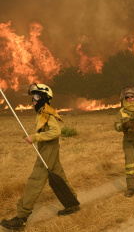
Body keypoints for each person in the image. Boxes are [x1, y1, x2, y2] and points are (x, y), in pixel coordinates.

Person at [1, 83, 79, 231]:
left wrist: (35, 137)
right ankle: (72, 204)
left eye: (37, 97)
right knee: (59, 176)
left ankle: (21, 217)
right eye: (33, 97)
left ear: (44, 98)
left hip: (48, 149)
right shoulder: (41, 112)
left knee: (35, 180)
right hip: (48, 148)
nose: (34, 100)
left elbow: (56, 132)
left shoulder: (46, 113)